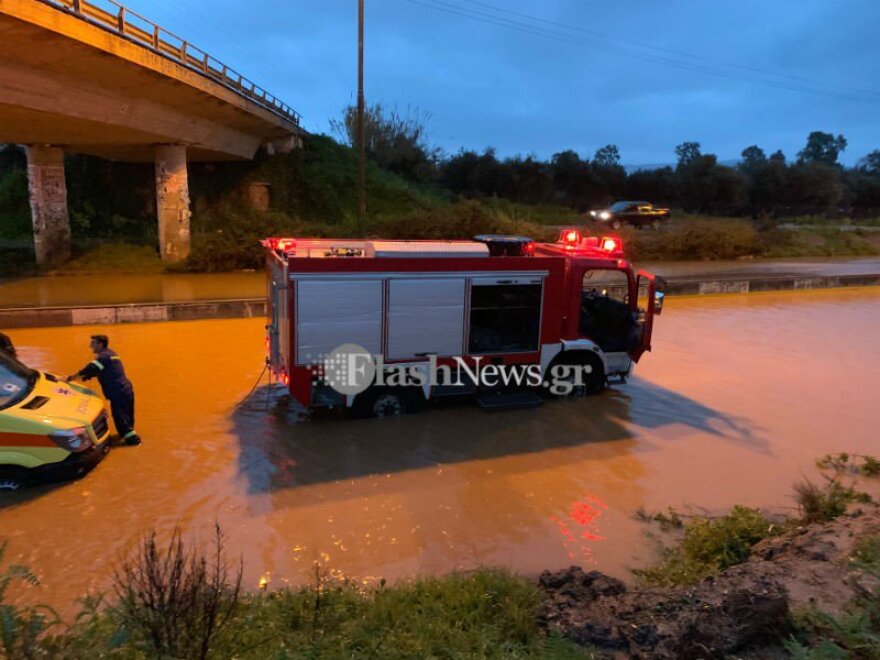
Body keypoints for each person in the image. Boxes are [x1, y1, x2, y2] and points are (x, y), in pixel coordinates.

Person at [66, 335, 140, 446]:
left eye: (93, 343)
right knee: (127, 414)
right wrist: (89, 375)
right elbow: (104, 370)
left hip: (117, 391)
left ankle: (132, 439)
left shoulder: (103, 357)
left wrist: (69, 378)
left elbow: (90, 369)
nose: (90, 346)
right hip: (126, 388)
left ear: (100, 344)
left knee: (119, 415)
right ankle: (128, 433)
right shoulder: (111, 354)